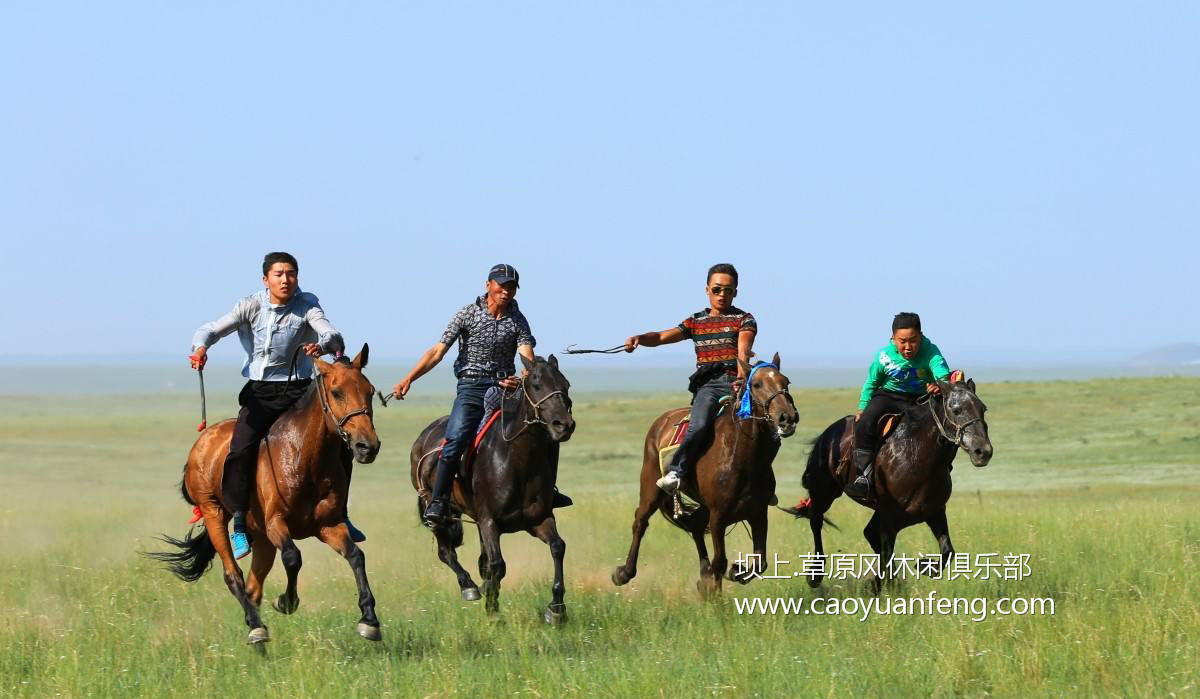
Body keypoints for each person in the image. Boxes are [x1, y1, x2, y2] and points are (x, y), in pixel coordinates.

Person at [189, 252, 362, 558]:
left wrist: (322, 345)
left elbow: (332, 334)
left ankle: (340, 513)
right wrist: (201, 346)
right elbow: (212, 329)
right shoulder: (250, 306)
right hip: (261, 395)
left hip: (301, 394)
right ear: (265, 279)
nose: (286, 279)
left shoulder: (307, 304)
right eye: (279, 274)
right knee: (240, 449)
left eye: (291, 273)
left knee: (342, 442)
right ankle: (240, 522)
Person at [393, 263, 571, 527]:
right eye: (502, 286)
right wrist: (409, 378)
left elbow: (526, 356)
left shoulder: (517, 320)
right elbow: (437, 351)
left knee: (542, 430)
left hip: (506, 389)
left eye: (511, 288)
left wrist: (526, 374)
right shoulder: (467, 314)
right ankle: (439, 501)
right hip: (471, 388)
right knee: (455, 439)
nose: (506, 292)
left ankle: (547, 492)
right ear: (488, 284)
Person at [623, 263, 757, 494]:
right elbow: (662, 336)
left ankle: (763, 482)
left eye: (728, 290)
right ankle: (676, 470)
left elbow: (743, 351)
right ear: (707, 290)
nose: (722, 294)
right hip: (710, 385)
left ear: (736, 292)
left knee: (767, 422)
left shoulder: (744, 319)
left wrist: (742, 378)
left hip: (738, 381)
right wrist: (639, 338)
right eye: (717, 289)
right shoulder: (695, 321)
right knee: (700, 424)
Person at [845, 311, 952, 498]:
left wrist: (939, 385)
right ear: (893, 338)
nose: (908, 347)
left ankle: (942, 468)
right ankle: (864, 477)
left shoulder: (931, 351)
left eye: (913, 340)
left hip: (919, 398)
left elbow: (942, 374)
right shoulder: (884, 356)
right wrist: (862, 408)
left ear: (921, 336)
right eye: (902, 341)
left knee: (943, 423)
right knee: (863, 424)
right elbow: (871, 382)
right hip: (888, 395)